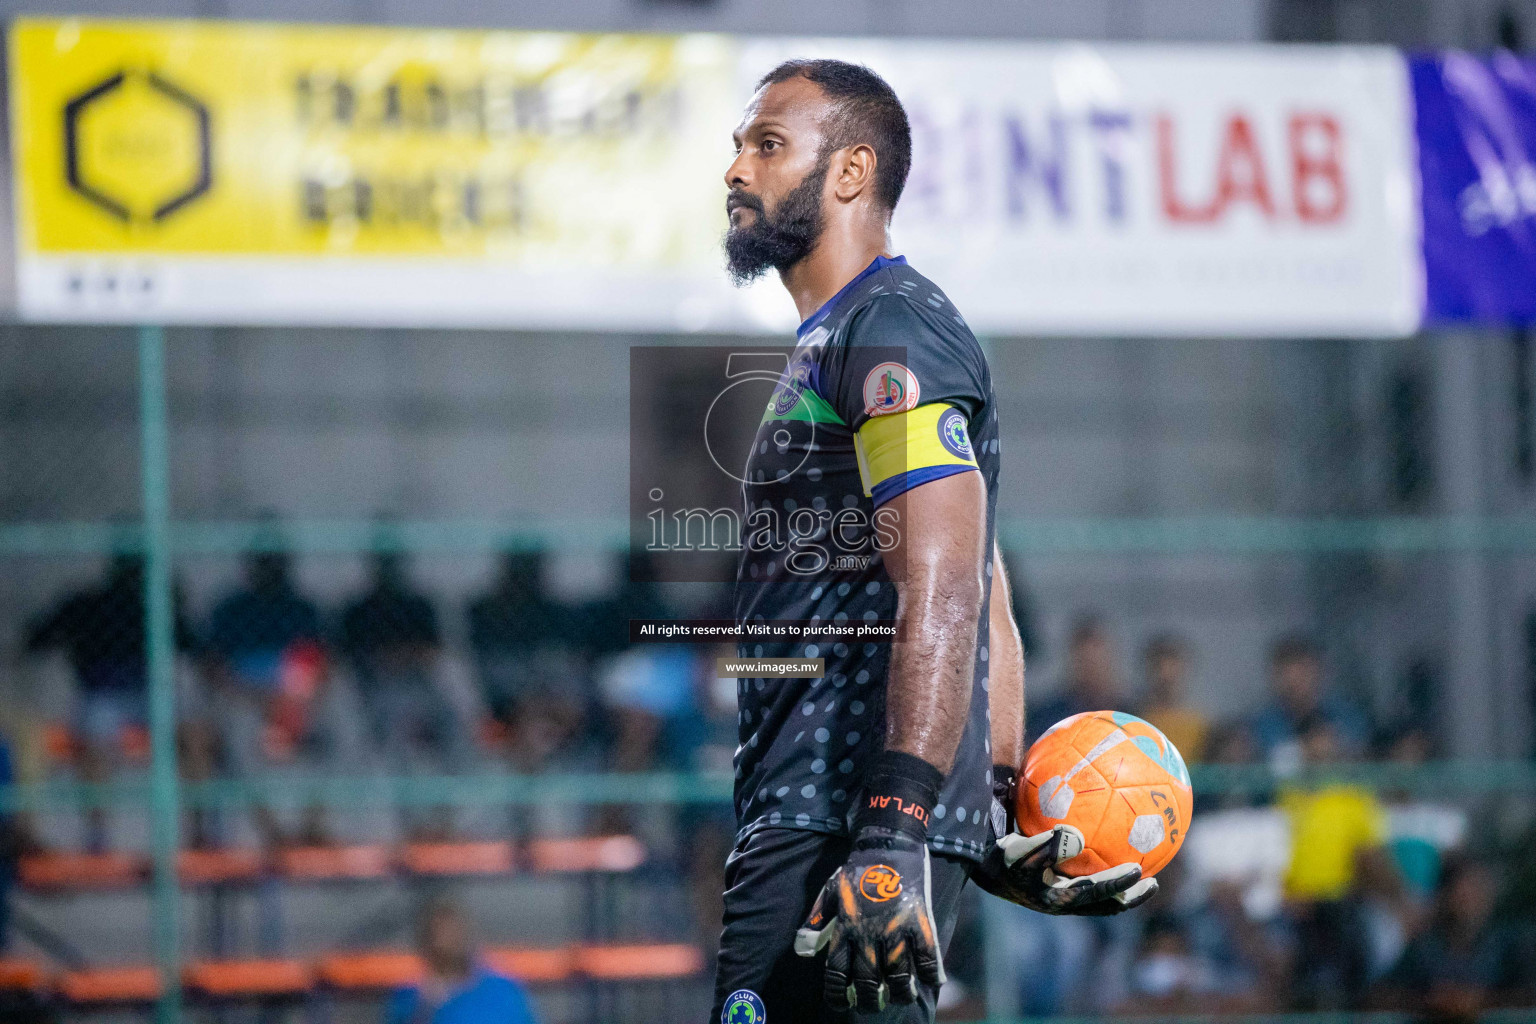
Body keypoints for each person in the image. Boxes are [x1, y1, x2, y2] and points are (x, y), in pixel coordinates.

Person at [713, 59, 1152, 1024]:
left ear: (851, 171)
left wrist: (897, 828)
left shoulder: (890, 330)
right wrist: (985, 807)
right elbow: (985, 590)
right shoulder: (843, 337)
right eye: (740, 146)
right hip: (836, 816)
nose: (737, 169)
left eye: (768, 144)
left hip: (838, 821)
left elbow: (949, 590)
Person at [25, 552, 195, 851]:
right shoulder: (85, 602)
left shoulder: (155, 602)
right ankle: (97, 835)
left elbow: (194, 644)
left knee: (195, 730)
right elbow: (35, 641)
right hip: (101, 695)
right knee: (95, 727)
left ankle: (199, 832)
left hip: (149, 693)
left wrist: (175, 601)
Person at [205, 541, 327, 845]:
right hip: (243, 699)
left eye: (276, 563)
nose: (271, 572)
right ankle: (274, 832)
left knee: (338, 731)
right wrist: (259, 698)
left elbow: (320, 664)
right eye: (264, 563)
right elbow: (213, 669)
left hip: (293, 699)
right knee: (236, 735)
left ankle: (312, 828)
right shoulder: (230, 609)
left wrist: (294, 698)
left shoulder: (301, 608)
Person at [341, 551, 466, 838]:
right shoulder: (357, 609)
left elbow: (433, 653)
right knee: (399, 730)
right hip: (371, 697)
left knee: (452, 719)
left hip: (422, 691)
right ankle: (417, 832)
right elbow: (346, 662)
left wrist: (402, 657)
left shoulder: (419, 605)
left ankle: (443, 826)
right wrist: (387, 662)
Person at [384, 899, 538, 1024]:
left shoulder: (504, 992)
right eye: (443, 934)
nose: (453, 941)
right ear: (425, 943)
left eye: (457, 932)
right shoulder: (407, 1000)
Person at [1249, 633, 1371, 770]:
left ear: (1317, 672)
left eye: (1302, 673)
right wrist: (1306, 751)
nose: (1295, 683)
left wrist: (1334, 747)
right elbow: (1268, 763)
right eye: (1287, 676)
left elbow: (1361, 751)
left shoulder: (1344, 712)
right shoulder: (1264, 722)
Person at [1027, 614, 1122, 744]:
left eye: (1096, 661)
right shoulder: (1047, 719)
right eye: (1084, 661)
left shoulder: (1130, 715)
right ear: (1071, 663)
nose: (1091, 671)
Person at [1135, 633, 1210, 763]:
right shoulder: (1135, 720)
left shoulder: (1199, 725)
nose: (1166, 677)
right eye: (1160, 668)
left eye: (1173, 668)